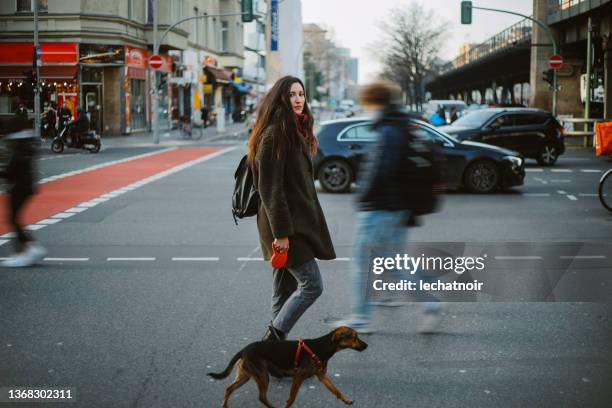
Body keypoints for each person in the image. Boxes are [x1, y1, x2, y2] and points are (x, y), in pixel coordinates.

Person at [332, 80, 442, 334]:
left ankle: (360, 317)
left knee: (363, 261)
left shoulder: (389, 131)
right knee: (393, 262)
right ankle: (430, 298)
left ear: (374, 102)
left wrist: (363, 198)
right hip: (400, 208)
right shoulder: (400, 125)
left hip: (382, 208)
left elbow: (381, 170)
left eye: (367, 104)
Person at [247, 76, 336, 341]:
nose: (298, 100)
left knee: (283, 290)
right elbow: (270, 188)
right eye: (292, 95)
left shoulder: (296, 129)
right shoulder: (276, 133)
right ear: (280, 99)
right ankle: (273, 341)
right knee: (312, 286)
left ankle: (273, 355)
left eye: (301, 94)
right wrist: (282, 234)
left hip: (293, 222)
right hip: (286, 226)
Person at [0, 117, 47, 267]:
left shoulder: (18, 150)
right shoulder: (26, 146)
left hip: (19, 188)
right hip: (25, 187)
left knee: (13, 219)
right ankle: (28, 248)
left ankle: (26, 250)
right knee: (14, 219)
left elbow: (10, 172)